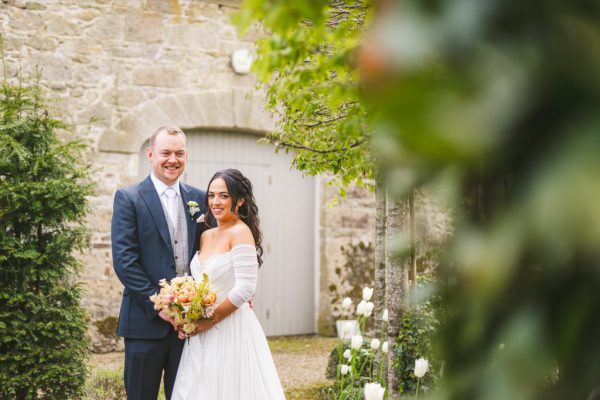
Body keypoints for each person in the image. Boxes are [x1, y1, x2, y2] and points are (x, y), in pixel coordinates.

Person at [171, 168, 285, 400]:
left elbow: (245, 288)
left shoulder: (241, 233)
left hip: (230, 328)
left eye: (224, 196)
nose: (215, 201)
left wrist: (208, 321)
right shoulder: (206, 234)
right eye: (212, 195)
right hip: (201, 331)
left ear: (240, 200)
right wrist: (189, 313)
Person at [111, 126, 207, 400]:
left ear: (186, 155)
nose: (172, 159)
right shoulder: (128, 198)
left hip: (188, 327)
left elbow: (209, 252)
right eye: (165, 152)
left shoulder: (199, 199)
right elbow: (125, 261)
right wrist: (161, 306)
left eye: (179, 153)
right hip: (144, 324)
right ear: (151, 154)